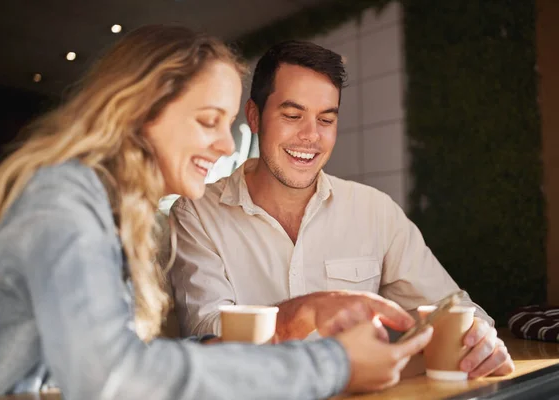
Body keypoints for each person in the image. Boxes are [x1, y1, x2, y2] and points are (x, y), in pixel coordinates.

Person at [0, 25, 434, 400]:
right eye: (208, 121)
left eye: (225, 125)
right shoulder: (63, 199)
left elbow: (125, 362)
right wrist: (334, 365)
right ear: (137, 113)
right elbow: (114, 380)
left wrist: (299, 315)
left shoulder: (107, 211)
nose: (227, 145)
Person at [170, 40, 515, 379]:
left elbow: (452, 307)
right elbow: (209, 338)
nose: (311, 136)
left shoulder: (374, 211)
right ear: (255, 116)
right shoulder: (197, 213)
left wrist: (479, 337)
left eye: (326, 119)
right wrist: (301, 313)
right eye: (292, 115)